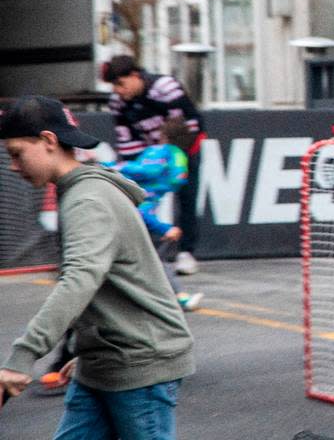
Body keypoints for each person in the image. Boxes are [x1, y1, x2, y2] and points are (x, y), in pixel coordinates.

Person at [0, 95, 194, 439]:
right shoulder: (77, 190)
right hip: (102, 363)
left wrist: (22, 357)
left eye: (16, 153)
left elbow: (80, 280)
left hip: (140, 365)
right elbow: (102, 280)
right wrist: (90, 348)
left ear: (48, 141)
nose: (13, 166)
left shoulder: (87, 199)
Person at [102, 54, 206, 276]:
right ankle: (138, 253)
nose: (118, 90)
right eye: (114, 86)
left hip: (182, 151)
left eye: (121, 83)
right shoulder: (117, 102)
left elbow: (191, 124)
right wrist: (141, 167)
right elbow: (126, 139)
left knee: (187, 197)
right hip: (150, 155)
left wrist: (173, 157)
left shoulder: (165, 87)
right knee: (138, 199)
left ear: (135, 75)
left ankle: (186, 252)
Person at [115, 117, 205, 313]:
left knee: (154, 259)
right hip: (129, 219)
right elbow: (141, 212)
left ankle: (176, 298)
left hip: (133, 216)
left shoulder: (153, 173)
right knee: (150, 259)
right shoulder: (151, 190)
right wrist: (165, 228)